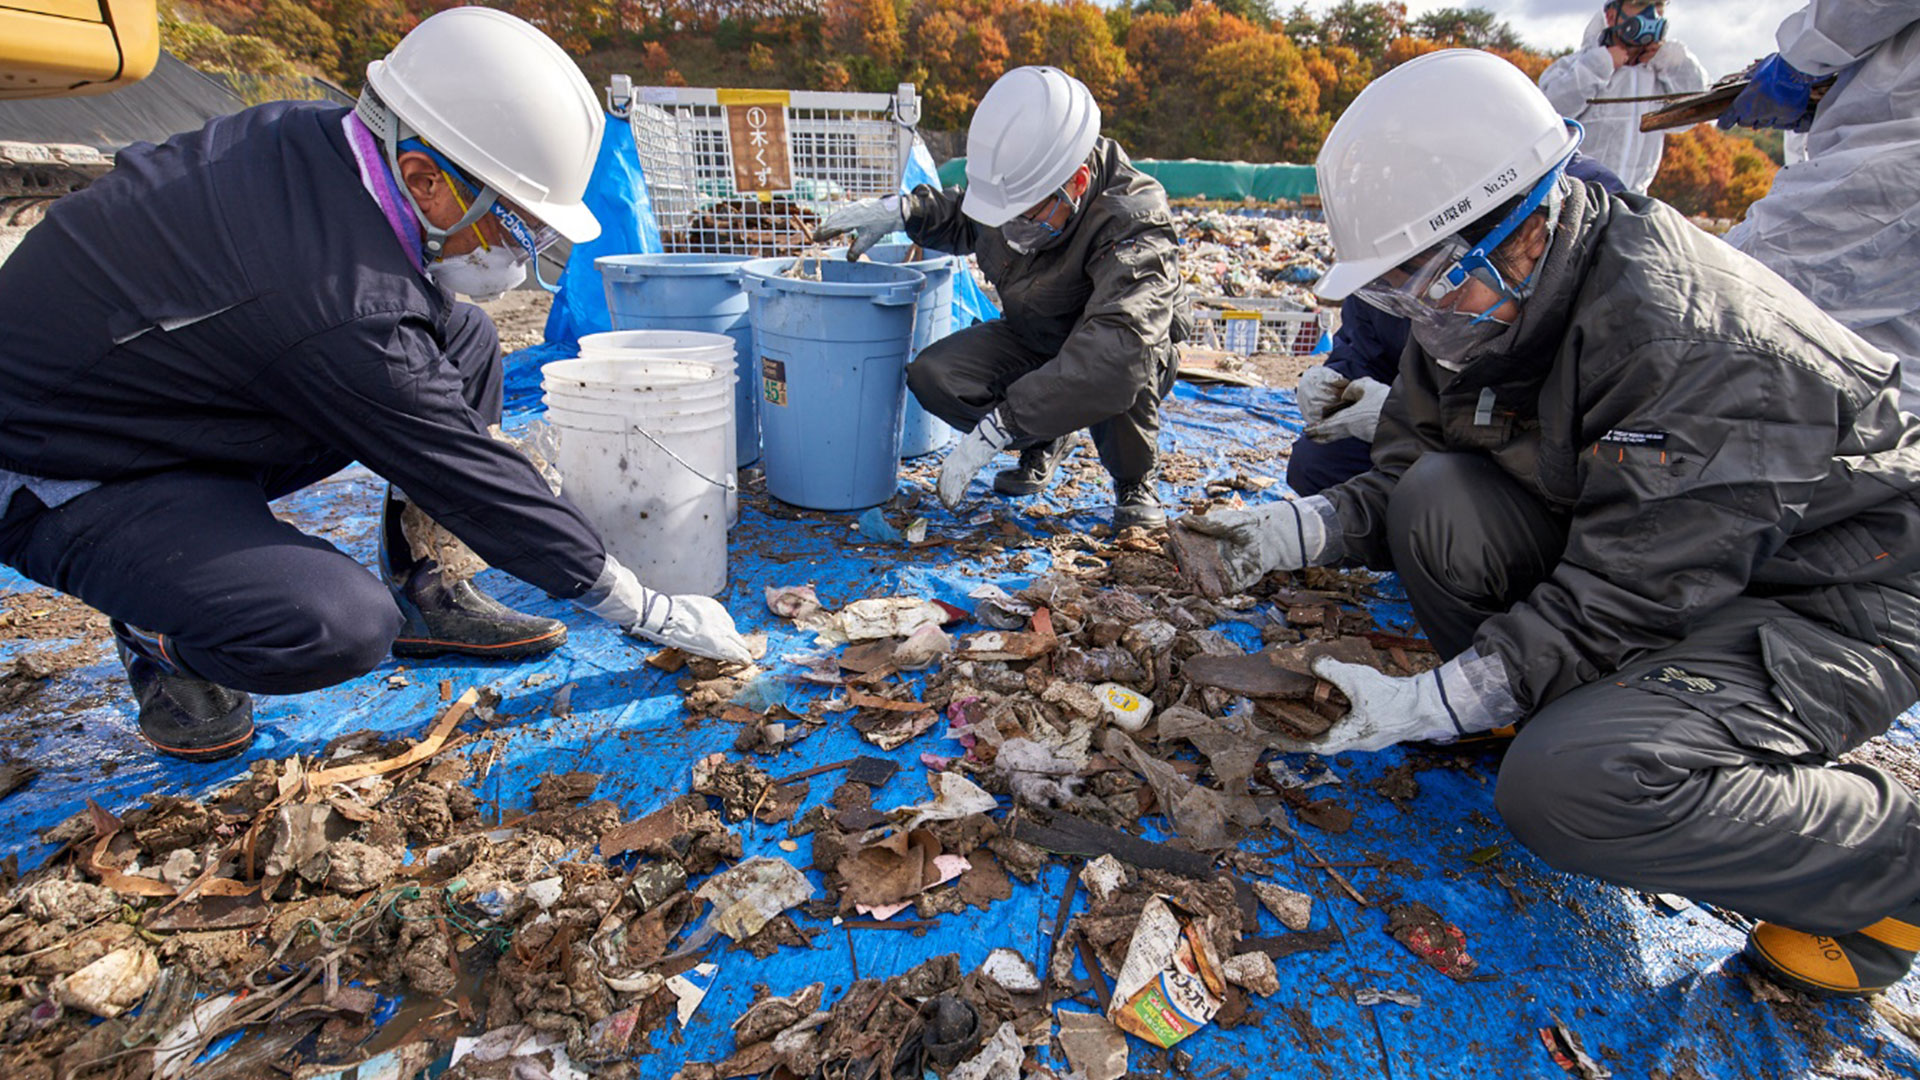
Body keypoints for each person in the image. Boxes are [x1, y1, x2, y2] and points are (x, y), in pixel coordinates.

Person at [1173, 49, 1920, 998]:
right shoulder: (1482, 300)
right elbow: (1407, 466)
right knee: (1438, 498)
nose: (1416, 317)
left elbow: (1617, 601)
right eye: (1394, 293)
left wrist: (1434, 702)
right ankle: (1530, 709)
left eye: (1424, 286)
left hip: (1835, 596)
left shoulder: (1686, 342)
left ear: (1523, 235)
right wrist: (1296, 529)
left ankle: (1893, 870)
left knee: (1567, 788)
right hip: (1676, 556)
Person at [0, 7, 751, 764]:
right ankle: (162, 633)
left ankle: (430, 585)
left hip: (170, 397)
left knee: (462, 336)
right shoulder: (337, 299)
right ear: (424, 177)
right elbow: (464, 471)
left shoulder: (324, 148)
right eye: (512, 227)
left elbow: (399, 375)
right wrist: (640, 605)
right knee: (336, 626)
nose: (518, 257)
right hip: (67, 465)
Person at [817, 66, 1191, 529]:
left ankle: (1134, 477)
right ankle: (1047, 437)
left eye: (1024, 217)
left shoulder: (1134, 220)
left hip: (1118, 348)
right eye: (1004, 216)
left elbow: (1120, 348)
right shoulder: (1022, 183)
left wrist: (1003, 424)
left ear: (1076, 181)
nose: (1009, 233)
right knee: (937, 377)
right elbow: (967, 213)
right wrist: (905, 211)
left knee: (1118, 370)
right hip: (1038, 330)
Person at [1288, 155, 1625, 497]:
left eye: (1434, 285)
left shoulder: (1543, 199)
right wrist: (1339, 386)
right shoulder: (1386, 223)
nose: (1424, 307)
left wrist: (1400, 414)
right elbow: (1365, 344)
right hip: (1436, 426)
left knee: (1442, 501)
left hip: (1512, 436)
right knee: (1319, 461)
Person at [1719, 0, 1920, 408]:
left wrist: (1801, 59)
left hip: (1894, 161)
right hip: (1891, 149)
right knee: (1897, 366)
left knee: (1730, 290)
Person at [1537, 0, 1707, 193]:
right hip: (1576, 202)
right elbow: (1548, 116)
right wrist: (1599, 65)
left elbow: (1692, 113)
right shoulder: (1573, 68)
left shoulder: (1661, 76)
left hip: (1632, 206)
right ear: (1610, 15)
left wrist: (1672, 61)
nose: (1653, 14)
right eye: (1640, 4)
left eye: (1659, 4)